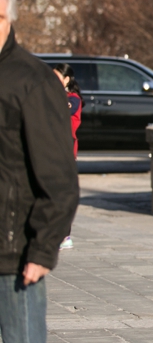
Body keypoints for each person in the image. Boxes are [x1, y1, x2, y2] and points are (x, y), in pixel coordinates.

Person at [0, 0, 78, 343]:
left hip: (15, 255)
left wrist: (42, 249)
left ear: (7, 19)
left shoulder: (31, 80)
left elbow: (59, 179)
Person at [52, 63, 83, 251]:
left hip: (64, 153)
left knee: (62, 195)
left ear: (66, 79)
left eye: (57, 76)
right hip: (51, 150)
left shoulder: (73, 99)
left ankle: (65, 235)